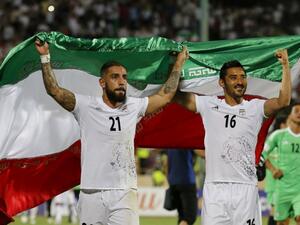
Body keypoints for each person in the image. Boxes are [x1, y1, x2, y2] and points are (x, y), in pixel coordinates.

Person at [35, 39, 188, 225]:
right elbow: (54, 91)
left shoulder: (134, 106)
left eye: (124, 77)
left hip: (124, 192)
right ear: (102, 82)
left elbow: (165, 95)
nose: (122, 81)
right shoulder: (86, 106)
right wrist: (45, 56)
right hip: (91, 192)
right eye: (115, 77)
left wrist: (178, 64)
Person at [174, 49, 291, 225]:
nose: (240, 81)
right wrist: (178, 65)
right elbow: (174, 95)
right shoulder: (208, 104)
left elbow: (283, 101)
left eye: (243, 77)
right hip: (216, 189)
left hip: (245, 189)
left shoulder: (256, 108)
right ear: (222, 82)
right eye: (233, 77)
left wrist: (285, 66)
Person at [262, 103, 300, 225]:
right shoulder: (278, 136)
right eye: (297, 111)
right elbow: (262, 154)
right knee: (282, 223)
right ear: (290, 115)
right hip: (282, 189)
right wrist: (273, 170)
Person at [263, 115, 288, 225]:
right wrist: (273, 170)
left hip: (287, 184)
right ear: (282, 125)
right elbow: (263, 157)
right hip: (274, 184)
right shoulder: (272, 140)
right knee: (276, 212)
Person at [164, 149, 198, 225]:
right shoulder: (187, 139)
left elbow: (166, 163)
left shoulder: (171, 143)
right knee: (189, 218)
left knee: (182, 217)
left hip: (173, 182)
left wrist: (170, 180)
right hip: (187, 181)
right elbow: (200, 152)